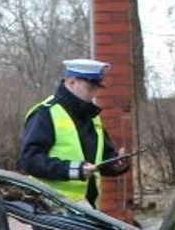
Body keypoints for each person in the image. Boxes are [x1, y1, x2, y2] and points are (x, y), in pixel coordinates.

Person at [19, 58, 131, 207]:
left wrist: (116, 164)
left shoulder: (92, 116)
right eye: (90, 88)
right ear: (72, 82)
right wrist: (73, 170)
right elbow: (30, 161)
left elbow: (101, 158)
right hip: (49, 207)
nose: (94, 94)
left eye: (97, 88)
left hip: (86, 207)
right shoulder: (45, 112)